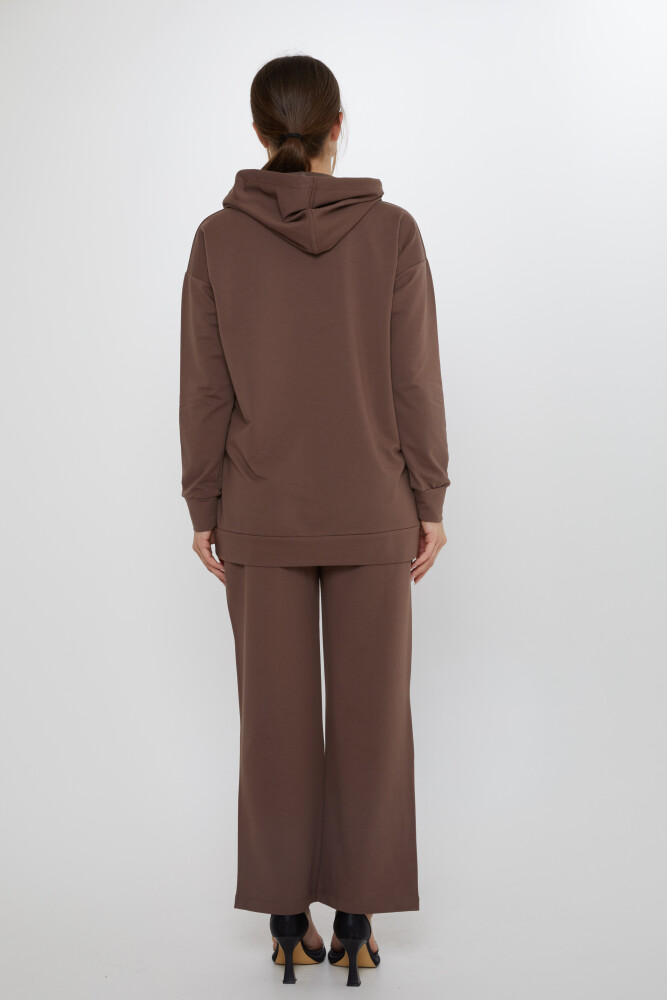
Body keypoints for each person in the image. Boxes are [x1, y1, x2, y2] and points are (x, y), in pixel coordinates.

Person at [179, 53, 451, 986]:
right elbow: (413, 380)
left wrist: (203, 502)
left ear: (260, 133)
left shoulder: (218, 238)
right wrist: (429, 499)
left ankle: (286, 920)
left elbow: (206, 387)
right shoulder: (393, 233)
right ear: (338, 126)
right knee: (374, 723)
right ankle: (358, 922)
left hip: (259, 511)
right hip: (374, 510)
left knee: (273, 722)